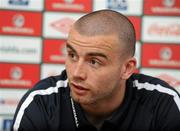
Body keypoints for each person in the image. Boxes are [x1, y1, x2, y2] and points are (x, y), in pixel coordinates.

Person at [11, 9, 180, 131]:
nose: (76, 74)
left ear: (127, 69)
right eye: (72, 55)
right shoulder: (41, 103)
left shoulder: (162, 104)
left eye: (94, 62)